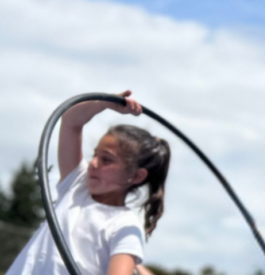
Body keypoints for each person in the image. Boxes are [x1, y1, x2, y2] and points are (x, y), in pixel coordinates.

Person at [8, 90, 171, 275]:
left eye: (106, 160)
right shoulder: (77, 184)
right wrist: (103, 103)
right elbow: (70, 121)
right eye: (95, 155)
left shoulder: (125, 226)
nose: (93, 163)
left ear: (136, 176)